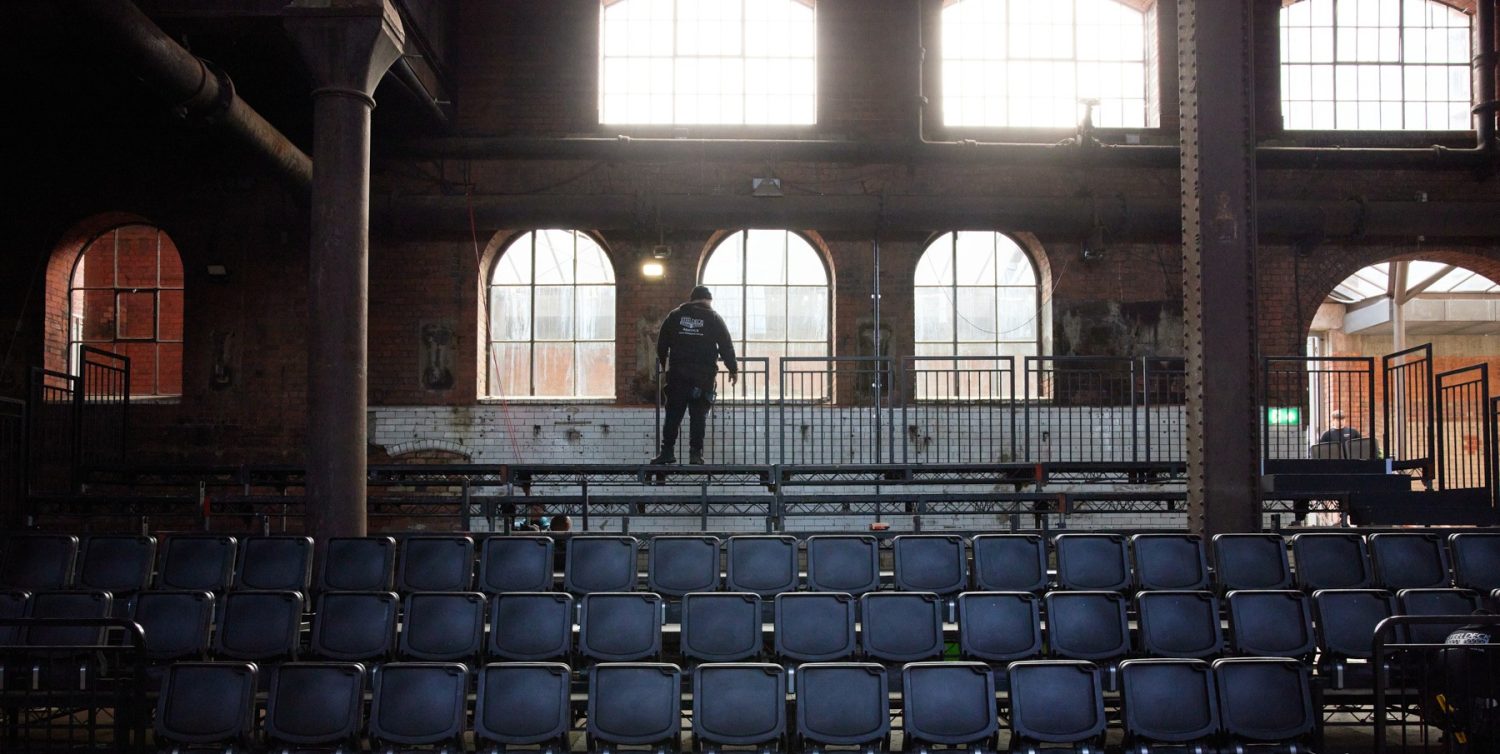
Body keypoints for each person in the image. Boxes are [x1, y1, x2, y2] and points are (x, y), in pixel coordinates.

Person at [651, 285, 737, 465]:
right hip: (703, 377)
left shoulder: (674, 316)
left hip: (677, 376)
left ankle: (667, 452)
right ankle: (695, 455)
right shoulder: (714, 318)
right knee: (698, 417)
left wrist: (665, 365)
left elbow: (662, 344)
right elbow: (726, 346)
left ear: (692, 299)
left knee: (673, 415)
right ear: (707, 300)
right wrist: (733, 368)